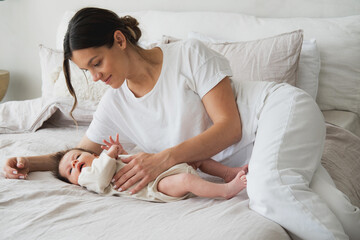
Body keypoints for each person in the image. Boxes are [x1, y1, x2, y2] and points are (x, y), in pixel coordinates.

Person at [3, 7, 359, 240]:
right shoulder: (114, 103)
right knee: (338, 212)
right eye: (87, 71)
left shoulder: (188, 54)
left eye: (96, 63)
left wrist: (164, 158)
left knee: (269, 192)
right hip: (258, 154)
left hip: (278, 111)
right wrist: (28, 162)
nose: (94, 77)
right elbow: (82, 153)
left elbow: (230, 128)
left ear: (119, 39)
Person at [54, 134, 248, 202]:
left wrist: (121, 152)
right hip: (156, 186)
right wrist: (111, 154)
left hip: (160, 170)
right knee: (186, 181)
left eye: (76, 156)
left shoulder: (104, 161)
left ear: (93, 154)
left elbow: (134, 163)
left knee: (196, 157)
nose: (74, 164)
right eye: (70, 171)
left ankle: (228, 173)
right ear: (75, 182)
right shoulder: (88, 179)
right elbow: (100, 178)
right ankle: (225, 191)